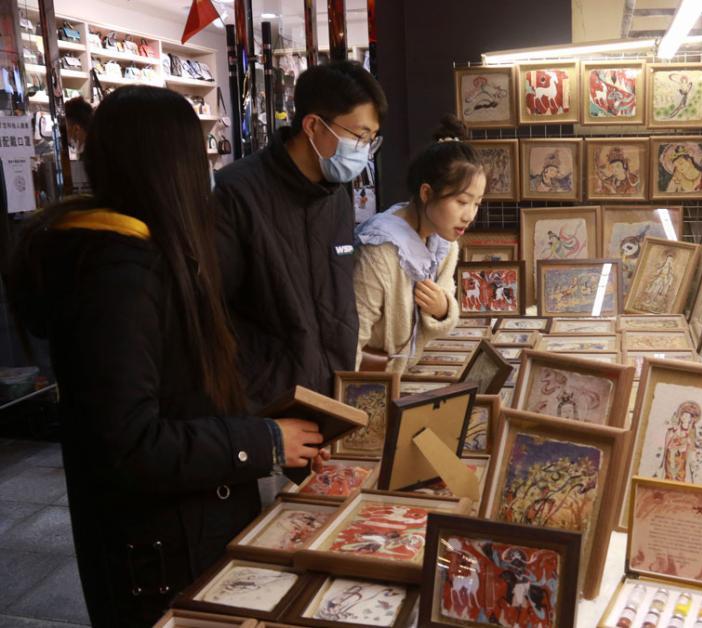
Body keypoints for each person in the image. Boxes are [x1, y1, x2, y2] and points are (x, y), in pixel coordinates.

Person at [7, 86, 326, 628]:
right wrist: (262, 442)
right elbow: (129, 441)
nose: (208, 169)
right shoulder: (118, 273)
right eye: (199, 153)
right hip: (161, 549)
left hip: (179, 528)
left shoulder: (139, 253)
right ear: (169, 164)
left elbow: (180, 388)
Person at [213, 61, 387, 409]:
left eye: (372, 139)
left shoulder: (336, 193)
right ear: (312, 125)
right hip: (267, 405)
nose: (364, 150)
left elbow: (335, 299)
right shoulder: (239, 192)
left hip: (330, 396)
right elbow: (216, 311)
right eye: (359, 136)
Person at [354, 116, 485, 373]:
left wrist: (443, 308)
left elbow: (448, 305)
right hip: (374, 382)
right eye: (461, 202)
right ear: (426, 193)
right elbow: (352, 339)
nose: (469, 215)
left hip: (406, 373)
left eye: (477, 203)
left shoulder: (444, 242)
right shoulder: (379, 249)